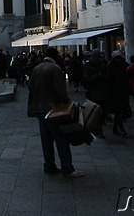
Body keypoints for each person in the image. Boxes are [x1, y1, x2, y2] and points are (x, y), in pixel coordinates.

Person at [27, 47, 84, 178]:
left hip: (39, 109)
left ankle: (49, 165)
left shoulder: (37, 68)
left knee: (46, 139)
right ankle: (67, 168)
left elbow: (30, 86)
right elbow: (60, 90)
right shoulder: (55, 68)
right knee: (60, 138)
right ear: (55, 56)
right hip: (53, 109)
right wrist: (67, 102)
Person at [82, 50, 110, 138]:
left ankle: (97, 126)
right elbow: (87, 78)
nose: (98, 59)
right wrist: (98, 75)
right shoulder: (88, 66)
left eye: (99, 57)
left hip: (103, 92)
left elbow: (108, 77)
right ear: (93, 57)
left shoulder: (103, 66)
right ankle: (97, 128)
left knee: (105, 110)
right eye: (97, 57)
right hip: (93, 92)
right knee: (96, 111)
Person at [107, 51, 130, 137]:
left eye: (119, 57)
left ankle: (115, 129)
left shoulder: (124, 65)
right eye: (116, 57)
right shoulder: (110, 66)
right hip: (114, 92)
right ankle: (122, 129)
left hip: (123, 91)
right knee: (118, 112)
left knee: (119, 111)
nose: (118, 59)